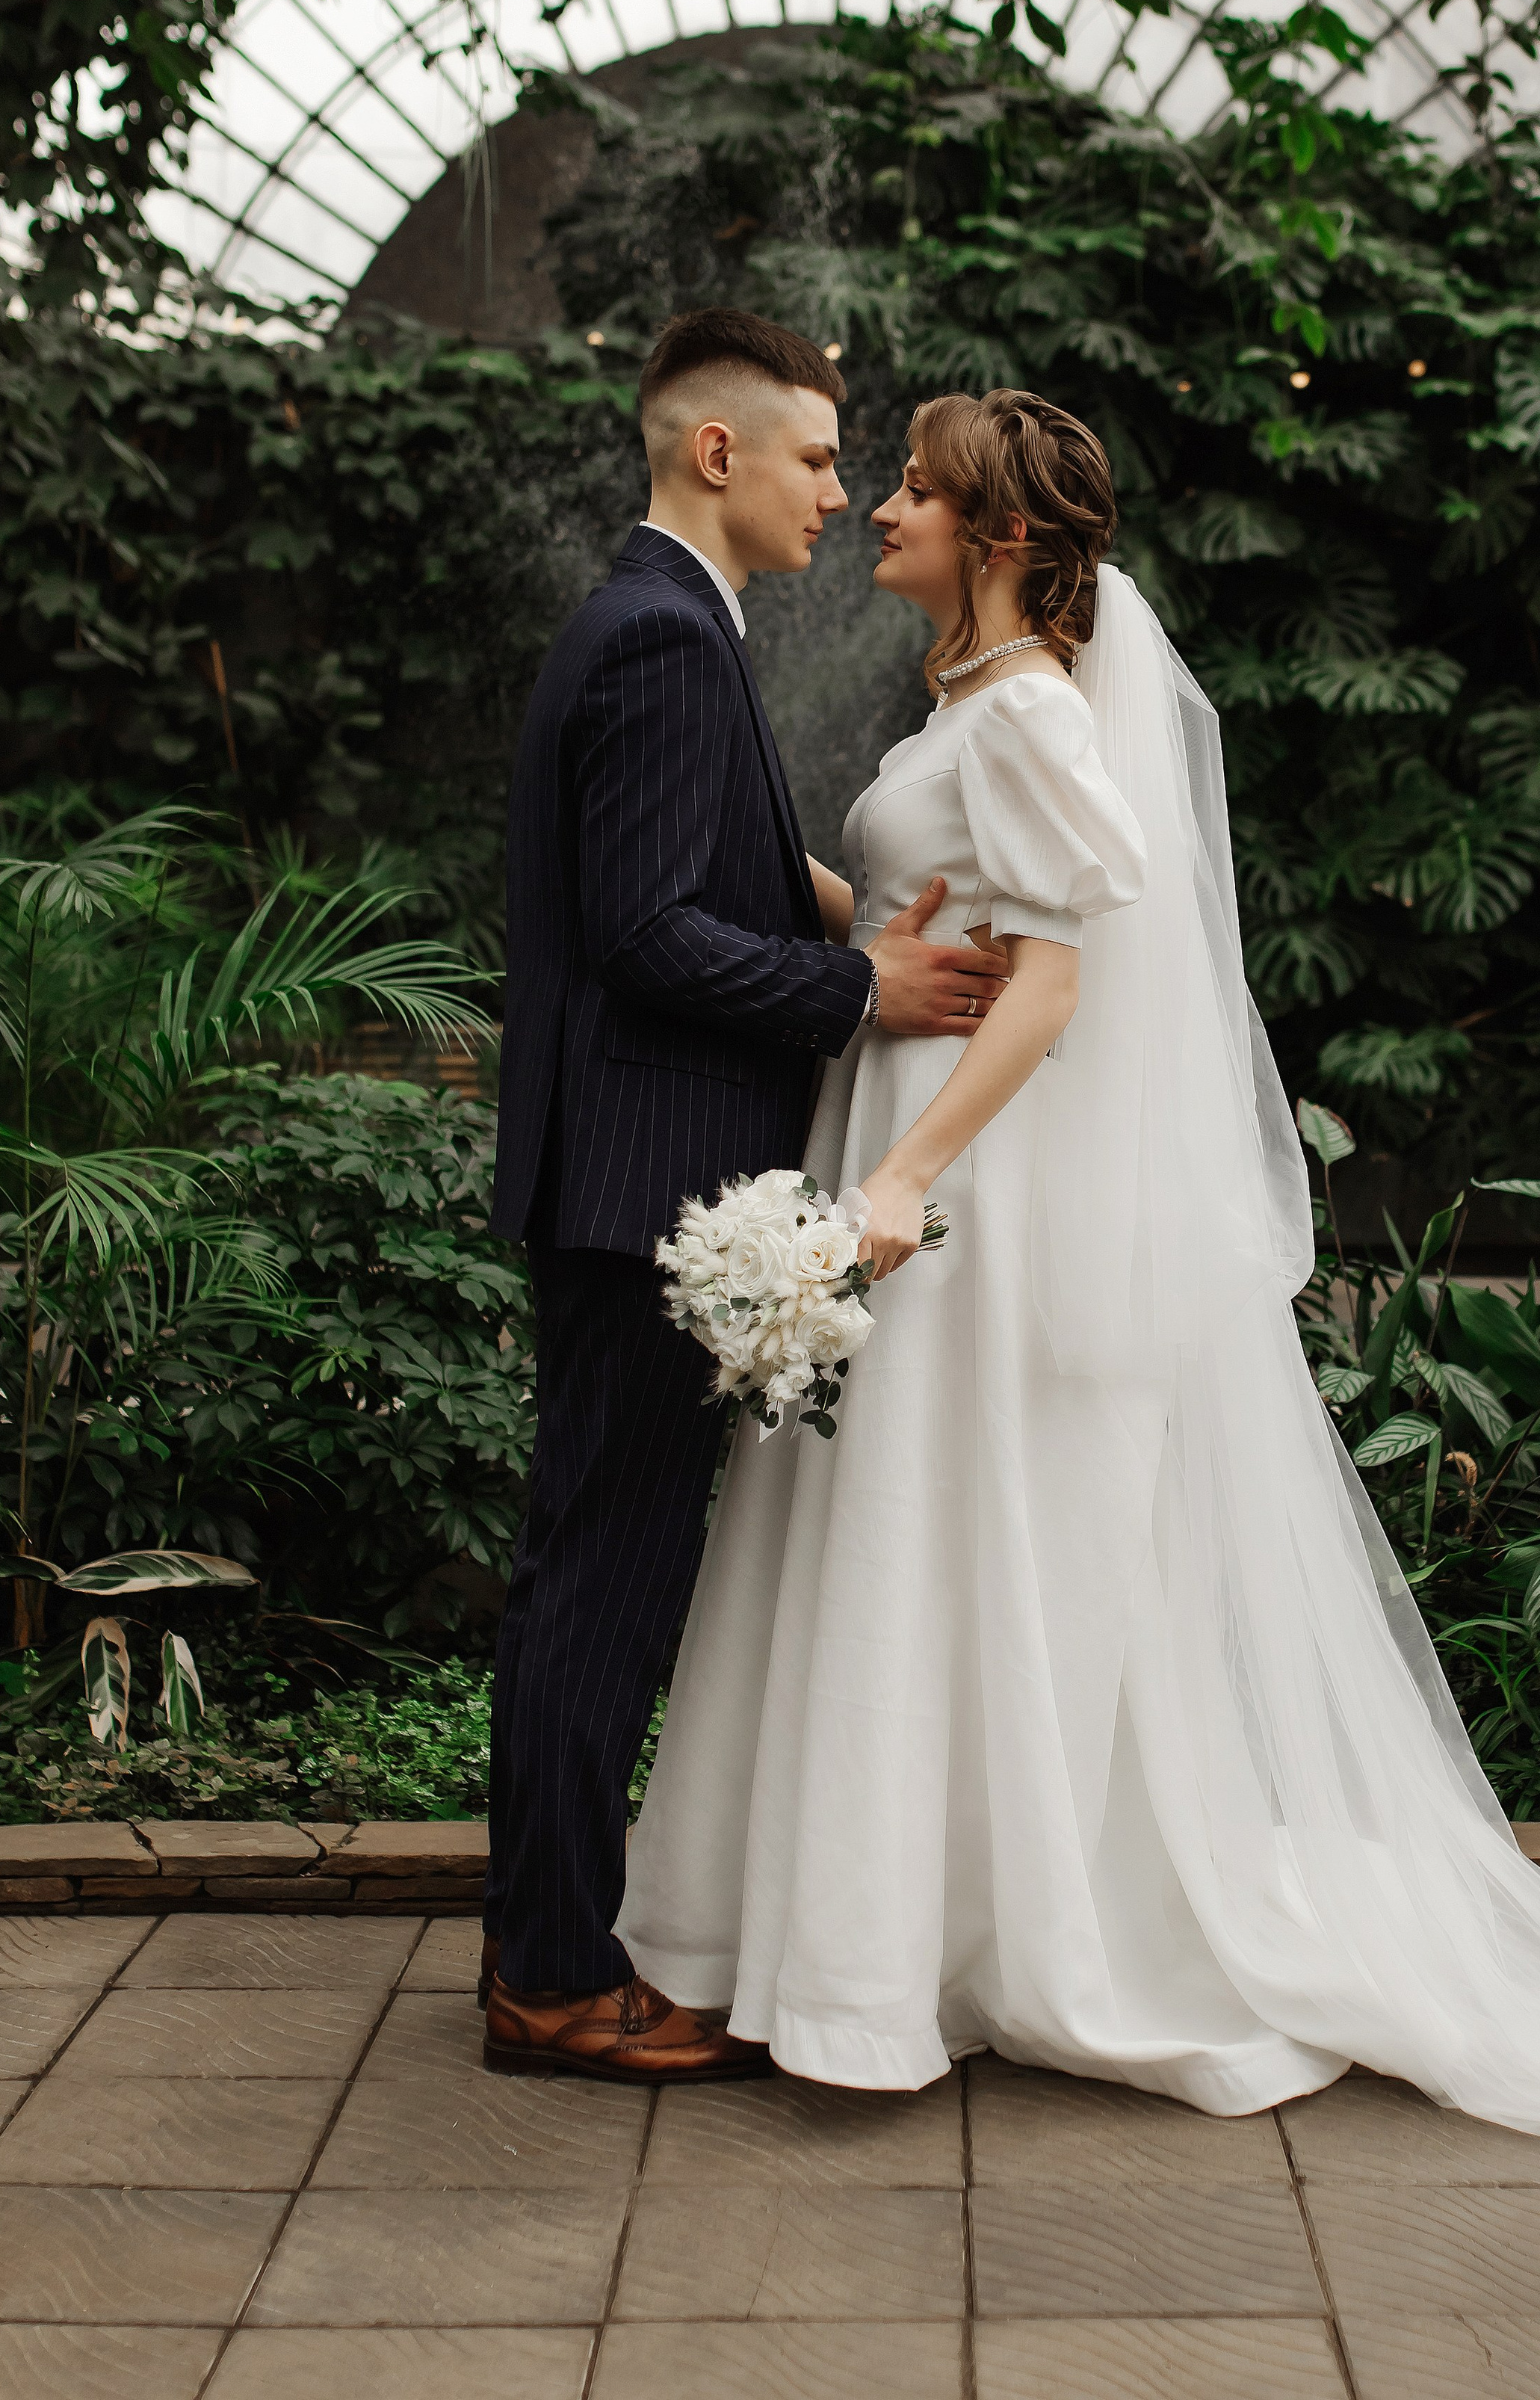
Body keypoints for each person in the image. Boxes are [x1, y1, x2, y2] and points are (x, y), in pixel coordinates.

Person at [618, 383, 1540, 2189]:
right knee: (912, 1536)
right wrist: (823, 909)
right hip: (916, 1139)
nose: (880, 510)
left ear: (1000, 540)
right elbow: (931, 909)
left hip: (968, 1189)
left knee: (956, 1534)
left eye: (920, 495)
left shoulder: (1025, 709)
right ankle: (891, 1931)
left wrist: (895, 1181)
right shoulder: (973, 698)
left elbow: (1048, 988)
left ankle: (926, 1948)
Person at [481, 310, 1012, 2084]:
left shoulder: (661, 628)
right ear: (717, 454)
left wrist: (844, 917)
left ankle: (554, 1950)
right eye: (812, 458)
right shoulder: (656, 638)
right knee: (602, 1585)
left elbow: (694, 864)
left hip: (625, 1175)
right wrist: (866, 994)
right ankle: (551, 1980)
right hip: (639, 1185)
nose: (838, 491)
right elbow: (644, 936)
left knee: (603, 1572)